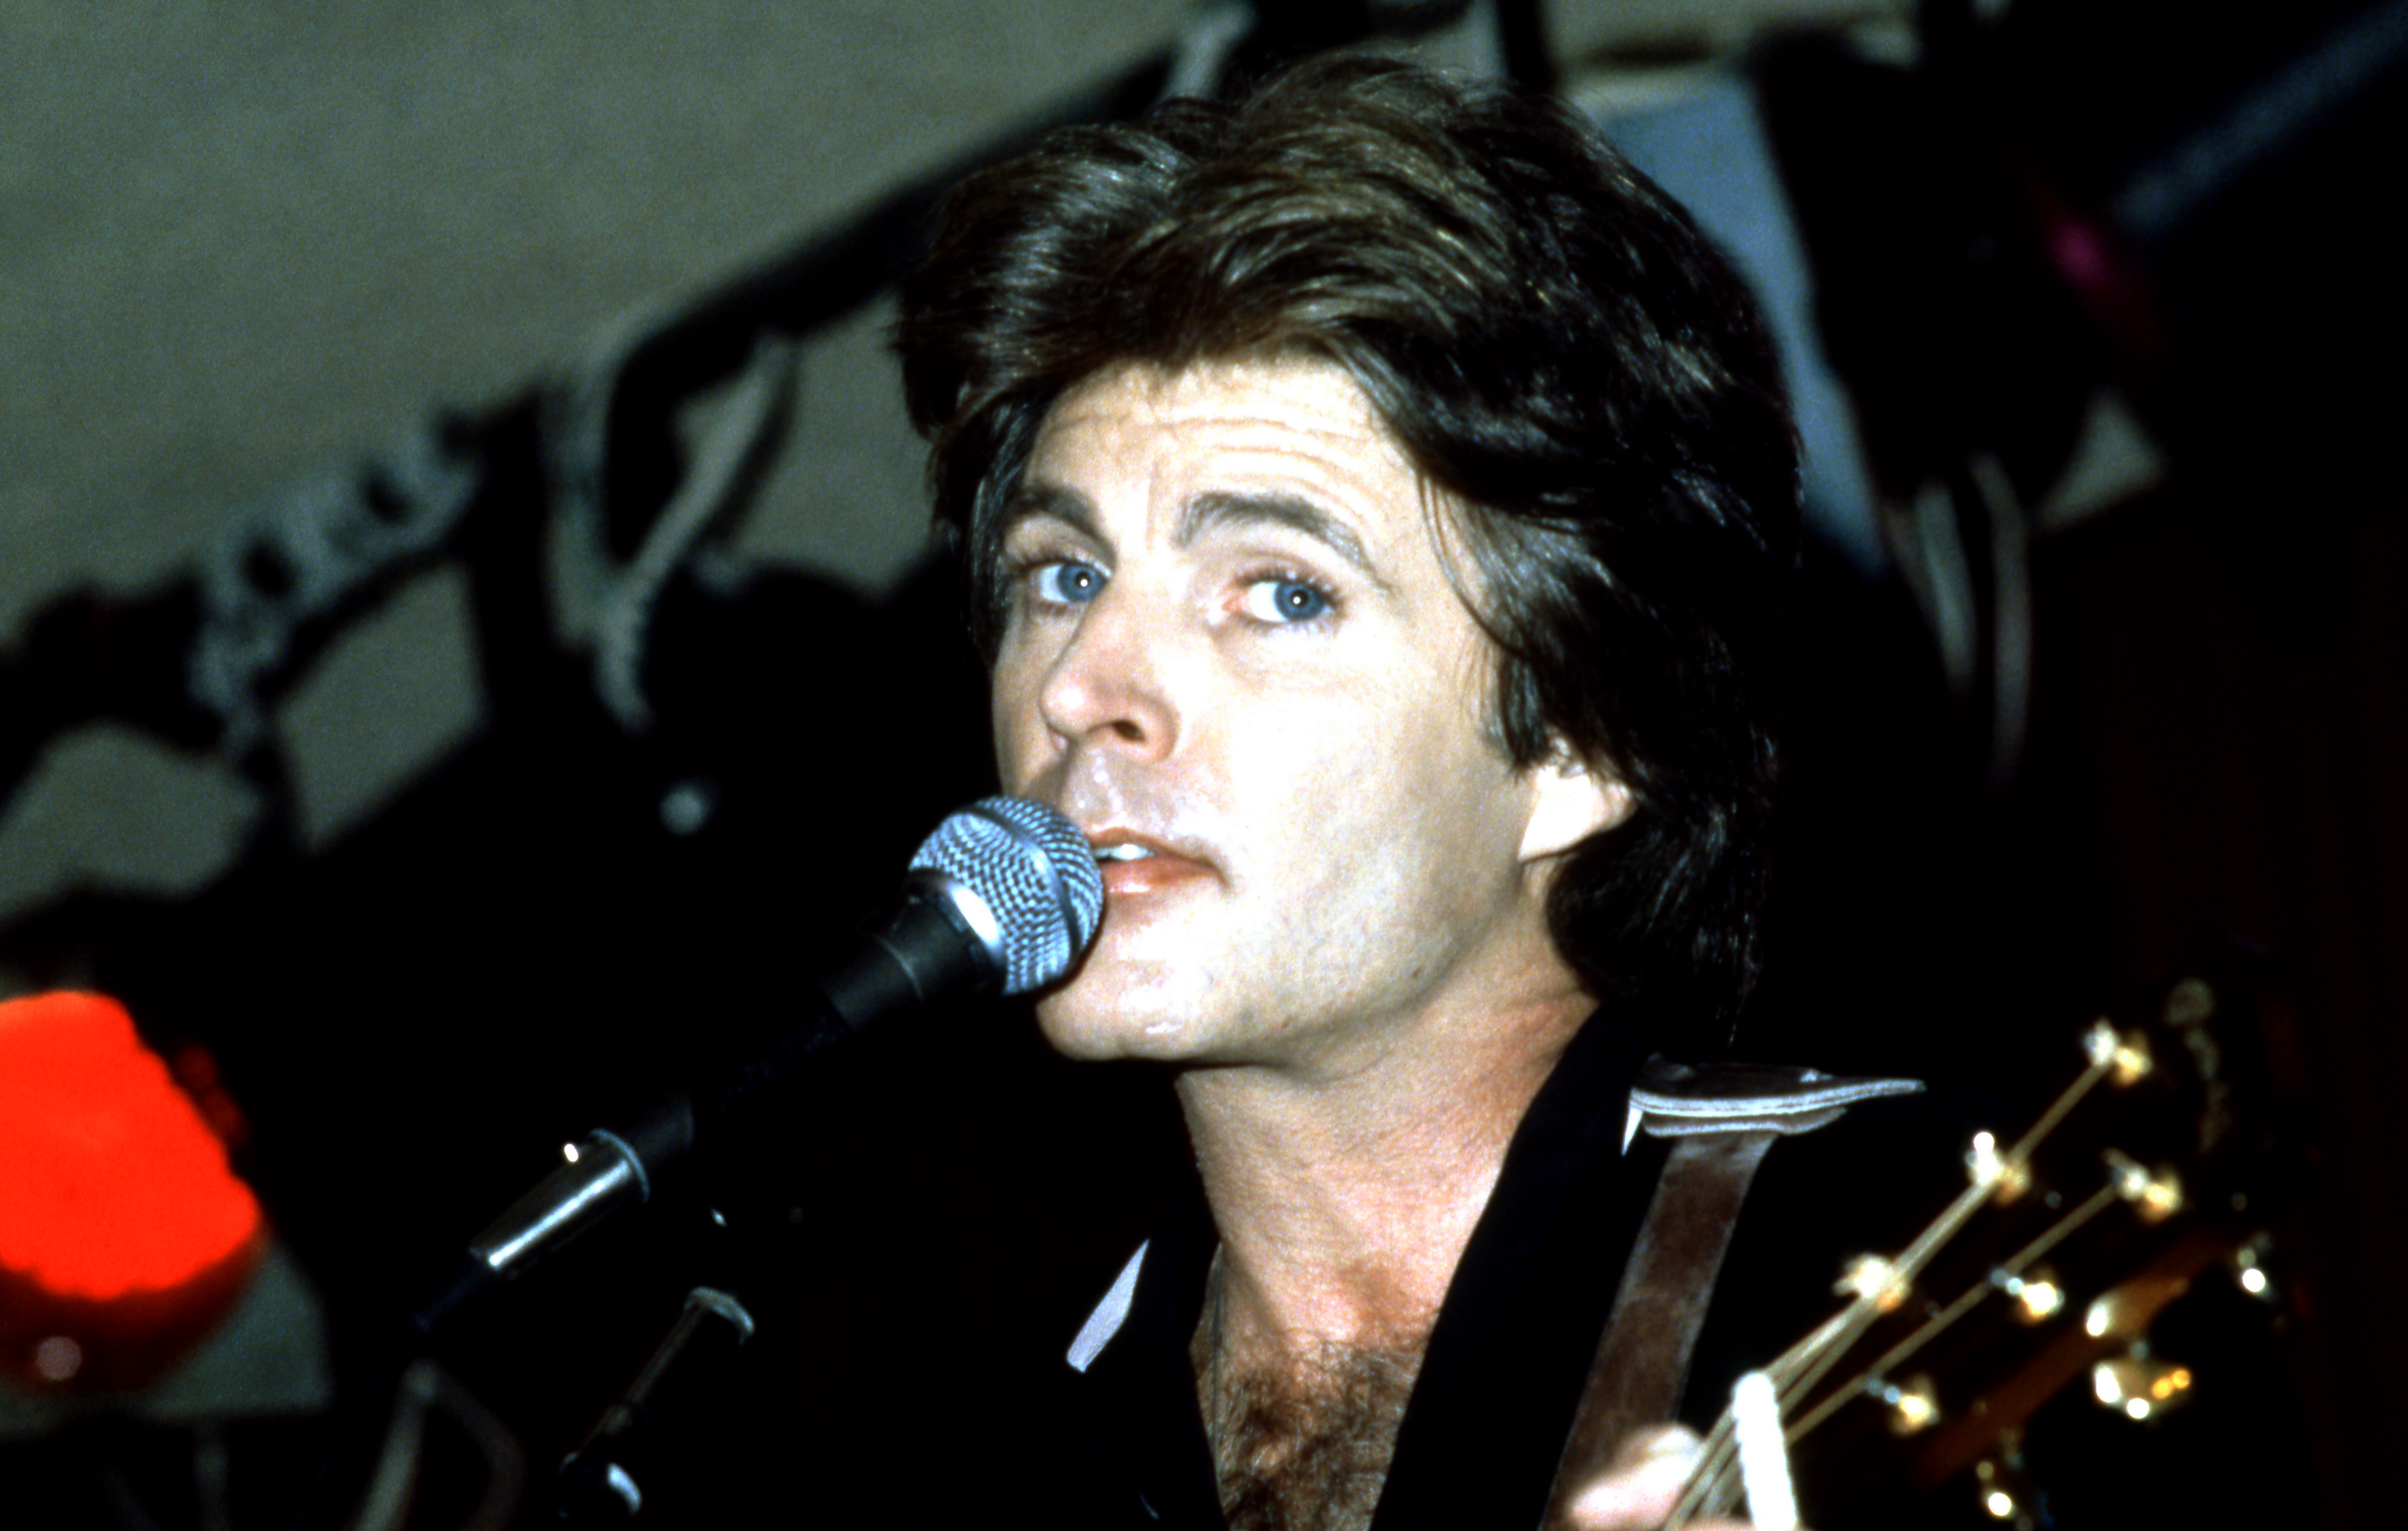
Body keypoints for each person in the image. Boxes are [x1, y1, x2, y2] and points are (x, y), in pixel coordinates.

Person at [894, 55, 1811, 1531]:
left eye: (1279, 593)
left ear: (1584, 740)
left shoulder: (1887, 1245)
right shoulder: (951, 1476)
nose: (1078, 688)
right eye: (1064, 578)